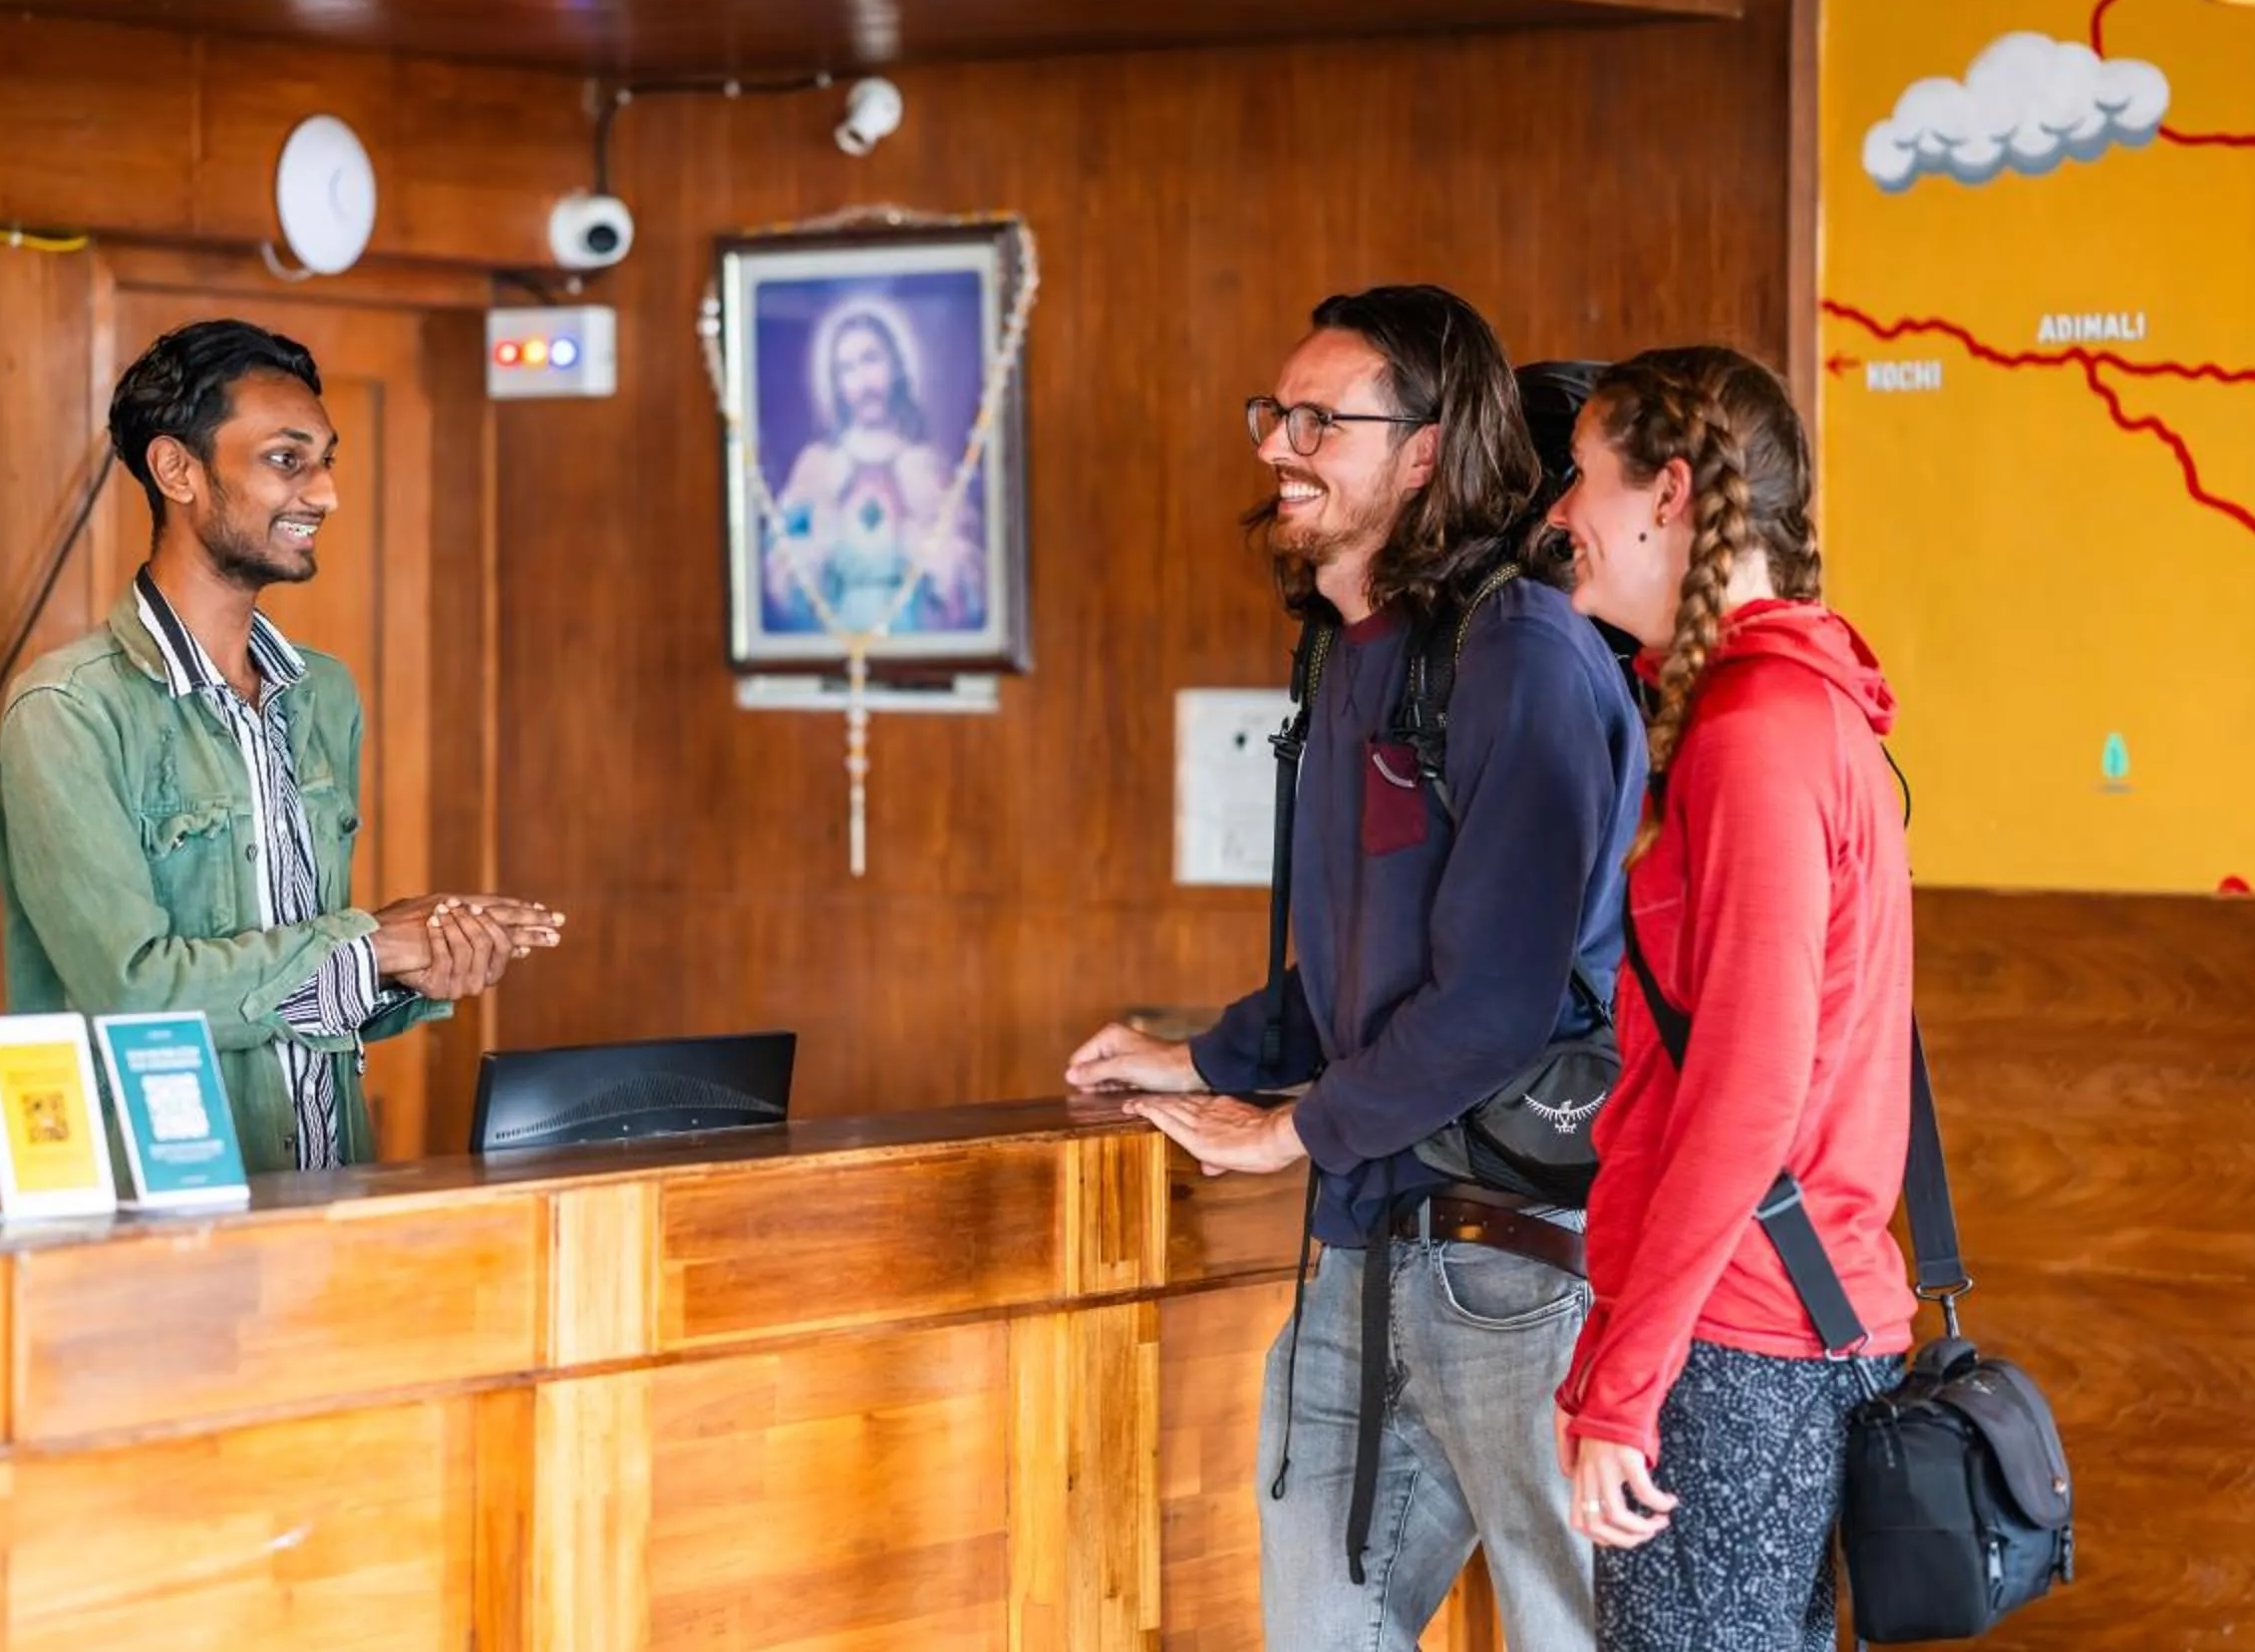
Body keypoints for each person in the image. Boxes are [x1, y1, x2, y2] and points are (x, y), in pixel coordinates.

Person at [1065, 286, 1645, 1650]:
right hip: (1360, 1251)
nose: (1279, 445)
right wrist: (1213, 1053)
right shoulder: (1347, 650)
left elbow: (1494, 998)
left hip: (1519, 1274)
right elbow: (1372, 961)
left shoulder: (1523, 656)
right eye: (1276, 414)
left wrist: (1292, 1127)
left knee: (1580, 1636)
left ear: (1427, 453)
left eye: (1322, 420)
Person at [0, 318, 564, 1174]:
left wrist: (411, 965)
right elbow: (132, 993)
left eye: (326, 461)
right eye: (287, 460)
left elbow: (300, 976)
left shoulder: (323, 695)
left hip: (332, 1182)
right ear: (176, 470)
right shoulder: (67, 711)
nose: (325, 493)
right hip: (154, 1209)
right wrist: (372, 946)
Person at [1543, 346, 1916, 1651]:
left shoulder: (1757, 734)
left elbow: (1748, 1099)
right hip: (1781, 1325)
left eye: (1583, 477)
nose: (1560, 517)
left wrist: (1625, 1382)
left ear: (1674, 493)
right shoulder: (1799, 713)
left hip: (1741, 1344)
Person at [764, 296, 982, 634]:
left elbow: (970, 580)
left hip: (909, 640)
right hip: (837, 643)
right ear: (835, 383)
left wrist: (938, 561)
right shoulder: (816, 466)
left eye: (871, 360)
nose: (863, 382)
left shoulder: (926, 465)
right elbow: (778, 569)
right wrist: (812, 555)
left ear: (895, 366)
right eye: (847, 369)